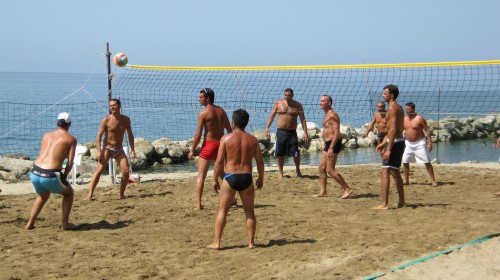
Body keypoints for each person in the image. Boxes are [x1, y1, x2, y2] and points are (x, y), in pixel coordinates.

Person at [207, 109, 264, 250]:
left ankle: (217, 242)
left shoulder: (226, 139)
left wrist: (215, 179)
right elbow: (260, 162)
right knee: (249, 211)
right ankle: (251, 242)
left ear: (233, 122)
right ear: (246, 122)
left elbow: (219, 162)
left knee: (222, 211)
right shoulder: (253, 140)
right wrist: (261, 177)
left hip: (230, 177)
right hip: (246, 177)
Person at [25, 112, 78, 230]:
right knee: (69, 193)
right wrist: (64, 175)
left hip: (35, 171)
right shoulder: (71, 139)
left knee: (43, 195)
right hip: (50, 174)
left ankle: (30, 223)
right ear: (70, 124)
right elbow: (69, 163)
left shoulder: (46, 135)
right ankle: (65, 224)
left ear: (56, 123)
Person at [188, 88, 232, 210]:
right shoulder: (222, 111)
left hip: (209, 145)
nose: (199, 99)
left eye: (201, 97)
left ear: (208, 99)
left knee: (201, 175)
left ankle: (198, 204)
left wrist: (192, 150)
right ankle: (232, 198)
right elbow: (229, 130)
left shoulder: (203, 113)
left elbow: (198, 134)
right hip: (221, 145)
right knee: (222, 174)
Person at [86, 99, 135, 200]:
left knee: (125, 171)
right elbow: (98, 137)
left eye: (114, 105)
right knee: (99, 170)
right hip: (107, 149)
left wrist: (132, 149)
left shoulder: (126, 119)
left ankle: (121, 194)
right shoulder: (106, 120)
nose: (112, 107)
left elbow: (130, 134)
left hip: (119, 149)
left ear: (119, 106)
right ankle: (90, 194)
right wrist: (99, 151)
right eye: (110, 106)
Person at [372, 85, 406, 210]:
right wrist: (383, 143)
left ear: (392, 95)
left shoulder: (392, 108)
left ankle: (384, 204)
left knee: (385, 171)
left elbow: (392, 129)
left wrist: (389, 149)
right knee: (395, 172)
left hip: (395, 143)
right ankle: (402, 201)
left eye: (385, 94)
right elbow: (393, 129)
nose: (383, 95)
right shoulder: (397, 107)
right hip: (398, 141)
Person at [265, 88, 309, 178]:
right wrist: (267, 127)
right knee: (280, 153)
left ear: (292, 95)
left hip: (292, 132)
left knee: (295, 152)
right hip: (281, 131)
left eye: (288, 95)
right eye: (285, 95)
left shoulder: (298, 105)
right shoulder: (278, 103)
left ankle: (298, 170)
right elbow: (272, 115)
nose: (286, 97)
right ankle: (281, 173)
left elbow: (303, 119)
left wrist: (305, 132)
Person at [316, 95, 353, 198]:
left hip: (334, 143)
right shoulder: (327, 114)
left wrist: (331, 147)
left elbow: (337, 132)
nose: (321, 102)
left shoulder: (333, 115)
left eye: (323, 101)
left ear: (329, 103)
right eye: (320, 101)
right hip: (327, 144)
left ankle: (347, 188)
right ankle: (323, 191)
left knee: (330, 170)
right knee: (321, 167)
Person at [402, 102, 438, 187]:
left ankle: (433, 180)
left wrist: (429, 142)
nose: (406, 111)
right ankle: (406, 179)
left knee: (426, 161)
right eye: (406, 109)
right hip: (408, 143)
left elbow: (427, 130)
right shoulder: (404, 119)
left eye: (408, 109)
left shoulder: (419, 118)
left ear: (413, 109)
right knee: (405, 161)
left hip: (419, 143)